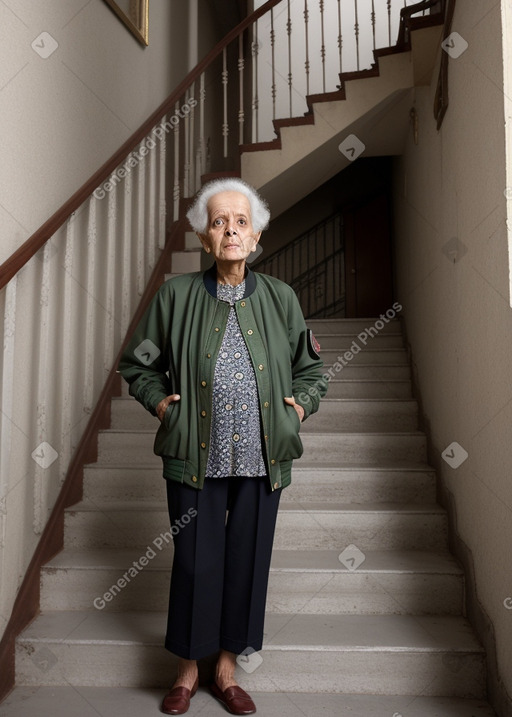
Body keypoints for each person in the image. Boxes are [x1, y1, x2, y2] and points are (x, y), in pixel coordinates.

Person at [118, 178, 327, 715]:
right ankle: (188, 669)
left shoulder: (281, 298)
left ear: (255, 237)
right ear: (204, 239)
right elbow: (136, 363)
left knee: (247, 560)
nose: (230, 230)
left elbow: (311, 369)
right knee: (195, 562)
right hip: (196, 455)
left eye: (240, 221)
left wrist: (299, 407)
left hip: (263, 458)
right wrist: (163, 405)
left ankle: (227, 668)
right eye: (218, 221)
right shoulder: (175, 296)